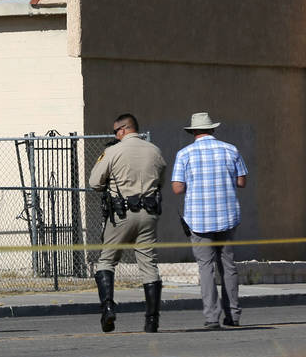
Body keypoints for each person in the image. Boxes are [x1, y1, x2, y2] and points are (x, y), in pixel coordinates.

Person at [88, 113, 167, 333]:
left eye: (115, 131)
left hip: (121, 214)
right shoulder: (155, 151)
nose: (115, 135)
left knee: (106, 261)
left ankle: (108, 308)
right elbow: (160, 180)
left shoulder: (113, 151)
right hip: (148, 214)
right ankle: (152, 320)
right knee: (149, 265)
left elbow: (94, 182)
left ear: (123, 129)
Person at [171, 112, 248, 329]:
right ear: (212, 129)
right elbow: (241, 181)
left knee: (206, 267)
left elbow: (177, 188)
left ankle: (212, 317)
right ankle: (233, 314)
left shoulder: (185, 154)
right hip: (227, 215)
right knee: (228, 265)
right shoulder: (231, 149)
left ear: (193, 132)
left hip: (198, 218)